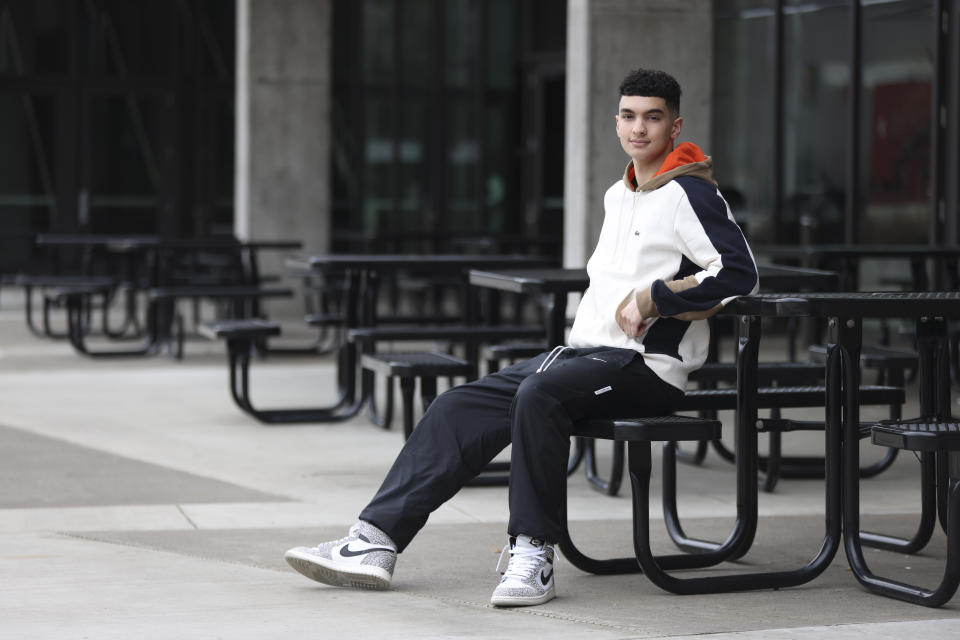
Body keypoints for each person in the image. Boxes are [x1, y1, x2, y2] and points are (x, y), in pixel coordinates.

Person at [284, 68, 758, 607]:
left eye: (653, 117)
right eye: (628, 116)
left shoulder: (689, 193)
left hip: (647, 368)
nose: (639, 128)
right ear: (616, 122)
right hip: (585, 357)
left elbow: (739, 274)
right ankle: (374, 542)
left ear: (675, 125)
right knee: (460, 404)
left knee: (540, 395)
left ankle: (533, 555)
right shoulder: (617, 194)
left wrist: (656, 297)